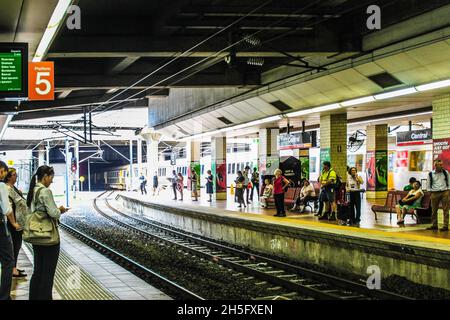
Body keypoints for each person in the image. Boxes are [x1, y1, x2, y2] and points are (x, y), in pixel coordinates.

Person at [27, 165, 69, 300]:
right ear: (45, 176)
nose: (51, 181)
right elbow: (53, 213)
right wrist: (60, 210)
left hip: (36, 235)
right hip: (48, 237)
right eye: (51, 178)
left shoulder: (33, 190)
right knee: (48, 274)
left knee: (38, 271)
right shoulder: (45, 192)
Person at [5, 168, 27, 278]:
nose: (16, 176)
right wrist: (13, 223)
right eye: (14, 174)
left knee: (17, 245)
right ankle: (12, 269)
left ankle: (14, 267)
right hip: (13, 223)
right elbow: (9, 207)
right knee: (14, 245)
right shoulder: (7, 189)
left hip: (18, 222)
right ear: (8, 177)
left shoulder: (13, 188)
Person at [0, 161, 14, 300]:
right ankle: (4, 296)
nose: (4, 175)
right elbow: (6, 209)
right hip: (0, 228)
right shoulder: (1, 186)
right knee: (8, 262)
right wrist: (14, 222)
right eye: (4, 171)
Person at [426, 159, 449, 231]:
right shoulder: (430, 174)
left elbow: (449, 182)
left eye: (442, 164)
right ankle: (434, 225)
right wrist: (430, 192)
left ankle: (445, 226)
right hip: (434, 193)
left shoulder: (445, 172)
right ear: (435, 165)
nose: (442, 166)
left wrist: (448, 191)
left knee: (446, 209)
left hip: (444, 192)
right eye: (440, 165)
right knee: (434, 210)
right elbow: (428, 184)